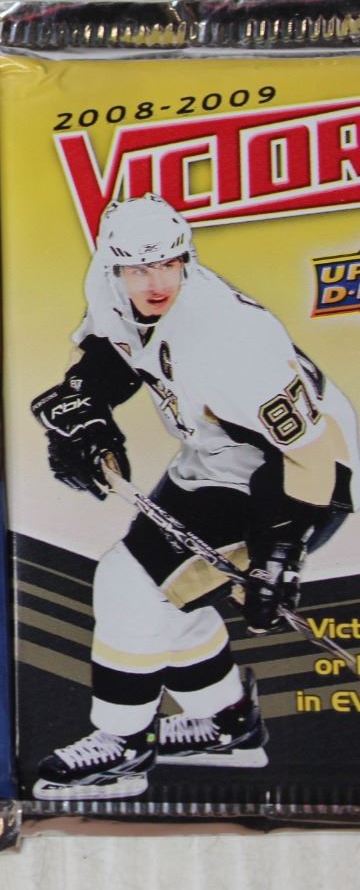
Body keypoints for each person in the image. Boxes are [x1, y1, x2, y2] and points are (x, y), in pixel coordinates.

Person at [30, 194, 356, 799]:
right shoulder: (109, 286)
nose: (155, 282)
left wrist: (279, 555)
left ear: (187, 259)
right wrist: (86, 410)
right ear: (114, 266)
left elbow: (317, 455)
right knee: (162, 592)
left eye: (168, 264)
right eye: (138, 268)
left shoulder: (233, 339)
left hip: (294, 477)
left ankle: (123, 745)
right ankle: (226, 724)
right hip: (216, 453)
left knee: (131, 586)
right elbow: (112, 352)